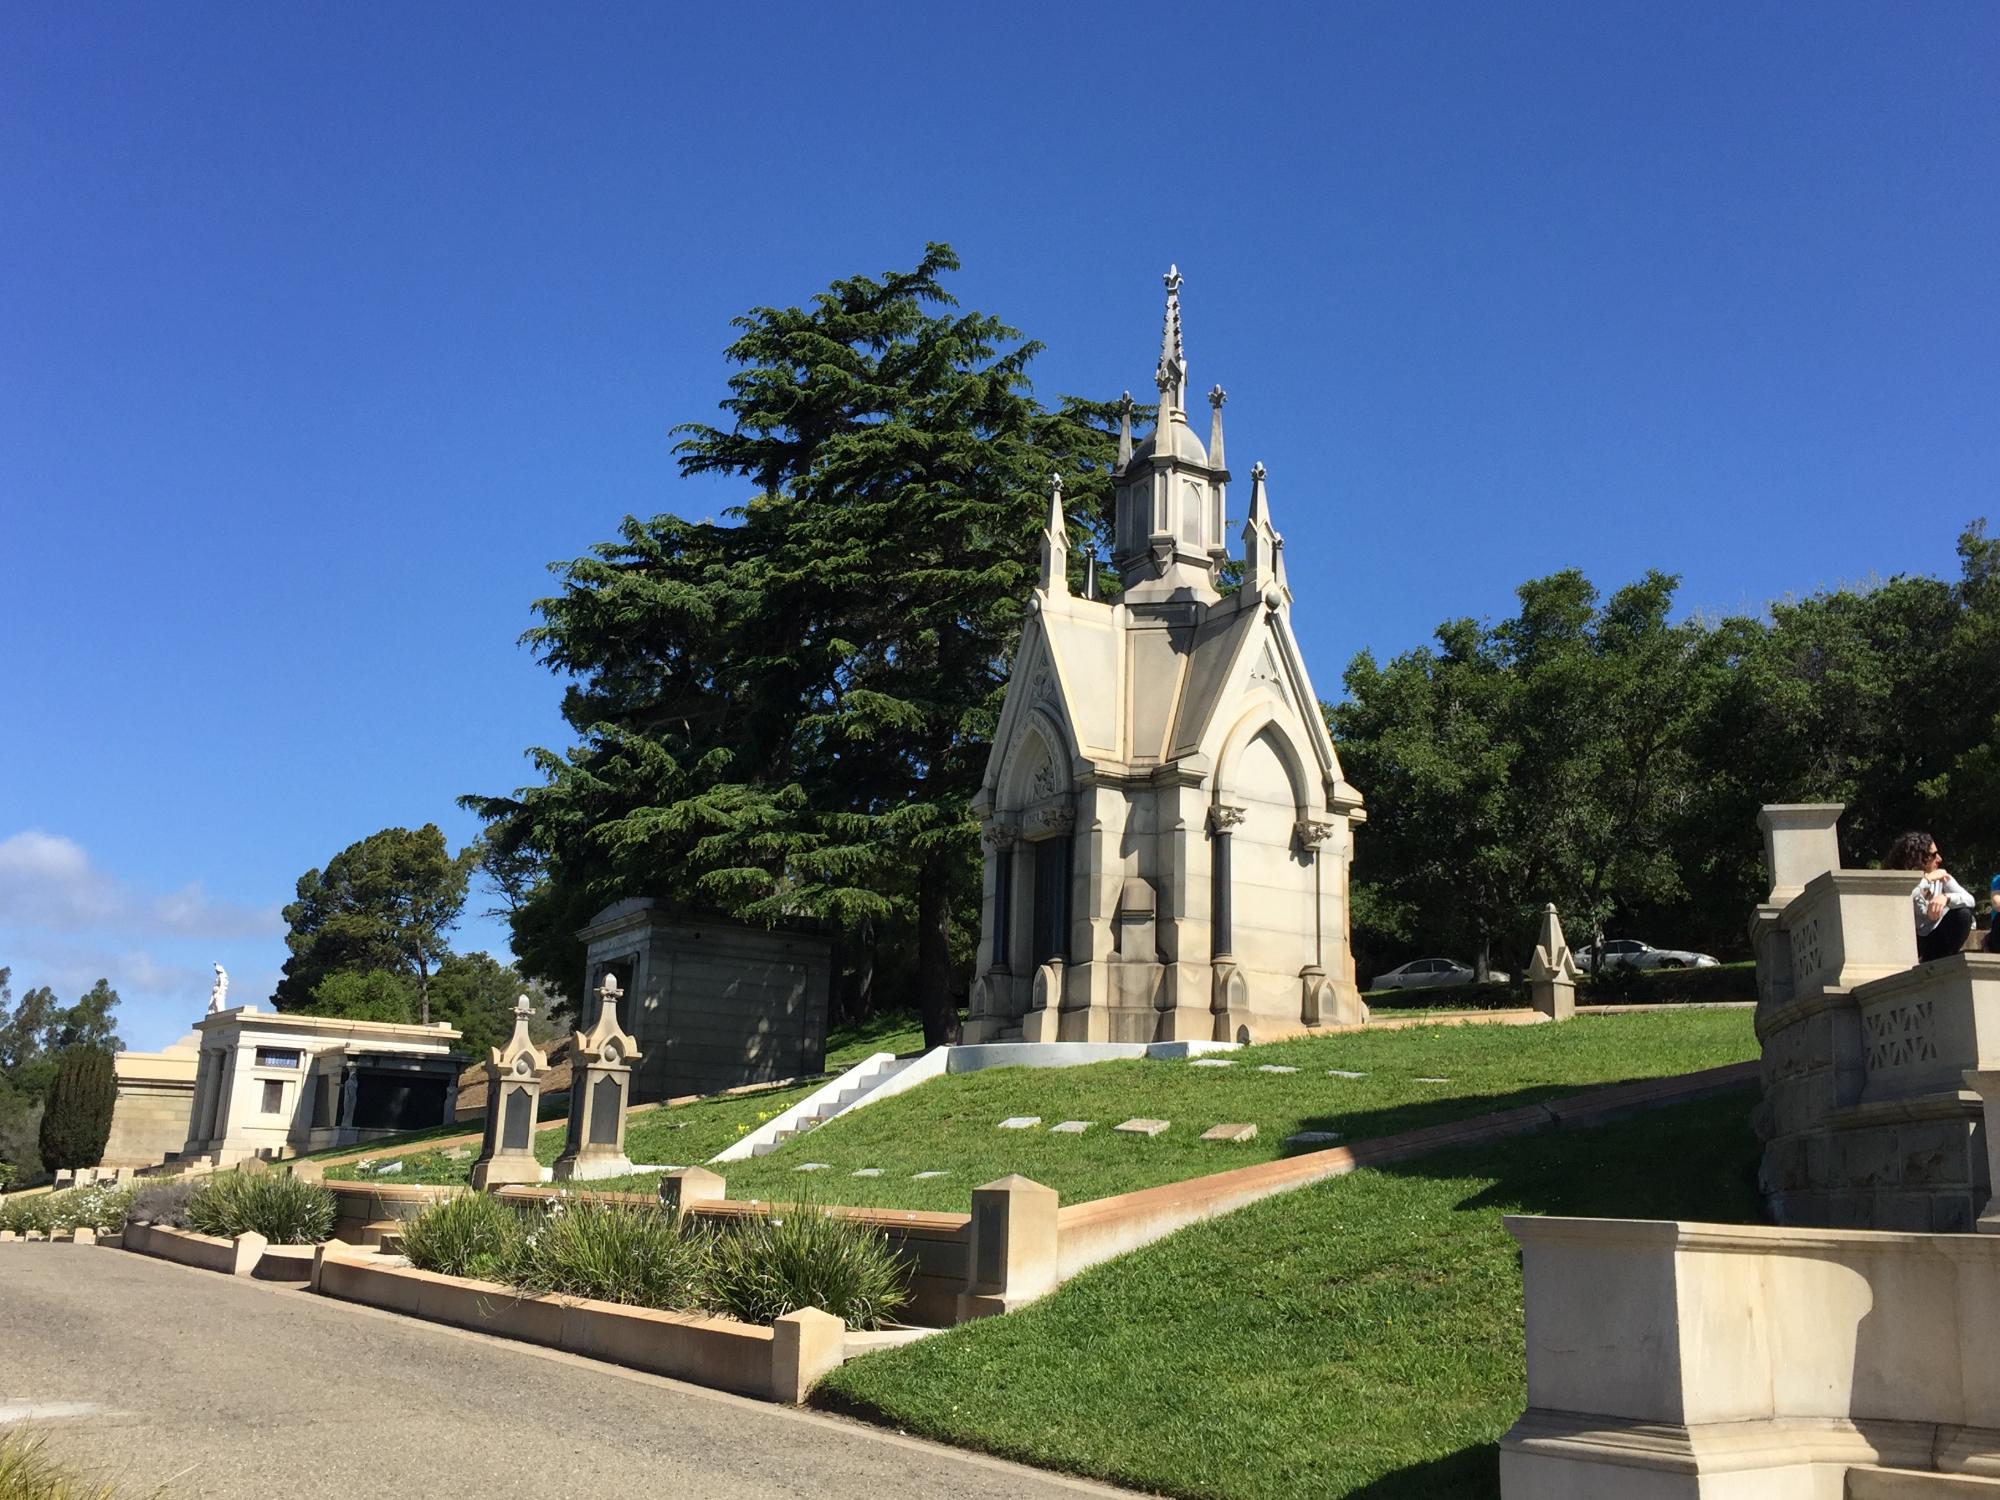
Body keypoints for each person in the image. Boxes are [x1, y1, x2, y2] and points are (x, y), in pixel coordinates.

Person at [1885, 832, 1976, 961]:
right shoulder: (1898, 877)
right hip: (1906, 938)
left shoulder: (1941, 876)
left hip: (1933, 937)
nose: (1939, 859)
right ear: (1918, 857)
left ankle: (1941, 963)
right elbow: (1905, 896)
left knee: (1963, 915)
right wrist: (1927, 880)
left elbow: (1970, 900)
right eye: (1933, 855)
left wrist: (1946, 898)